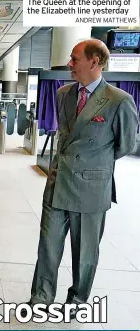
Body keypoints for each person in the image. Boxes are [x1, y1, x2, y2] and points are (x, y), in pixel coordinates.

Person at [22, 39, 139, 318]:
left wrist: (93, 165)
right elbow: (64, 135)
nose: (70, 64)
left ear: (94, 62)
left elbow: (125, 144)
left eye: (75, 59)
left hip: (91, 188)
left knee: (85, 252)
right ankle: (41, 297)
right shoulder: (63, 93)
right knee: (47, 246)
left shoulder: (119, 100)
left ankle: (76, 300)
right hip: (58, 182)